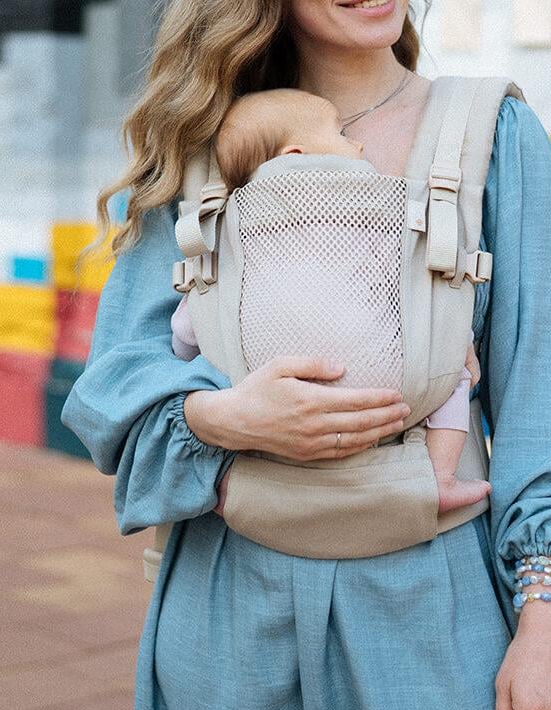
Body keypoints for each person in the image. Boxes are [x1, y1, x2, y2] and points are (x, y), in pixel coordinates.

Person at [62, 0, 551, 710]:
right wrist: (222, 417)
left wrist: (545, 625)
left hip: (433, 598)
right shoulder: (210, 146)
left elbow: (549, 395)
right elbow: (117, 375)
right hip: (229, 599)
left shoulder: (494, 135)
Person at [169, 86, 491, 516]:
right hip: (388, 387)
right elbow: (410, 288)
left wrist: (188, 355)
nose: (356, 144)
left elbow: (190, 326)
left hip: (267, 389)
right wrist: (454, 337)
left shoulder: (233, 232)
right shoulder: (368, 211)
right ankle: (440, 477)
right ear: (296, 155)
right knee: (456, 375)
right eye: (340, 133)